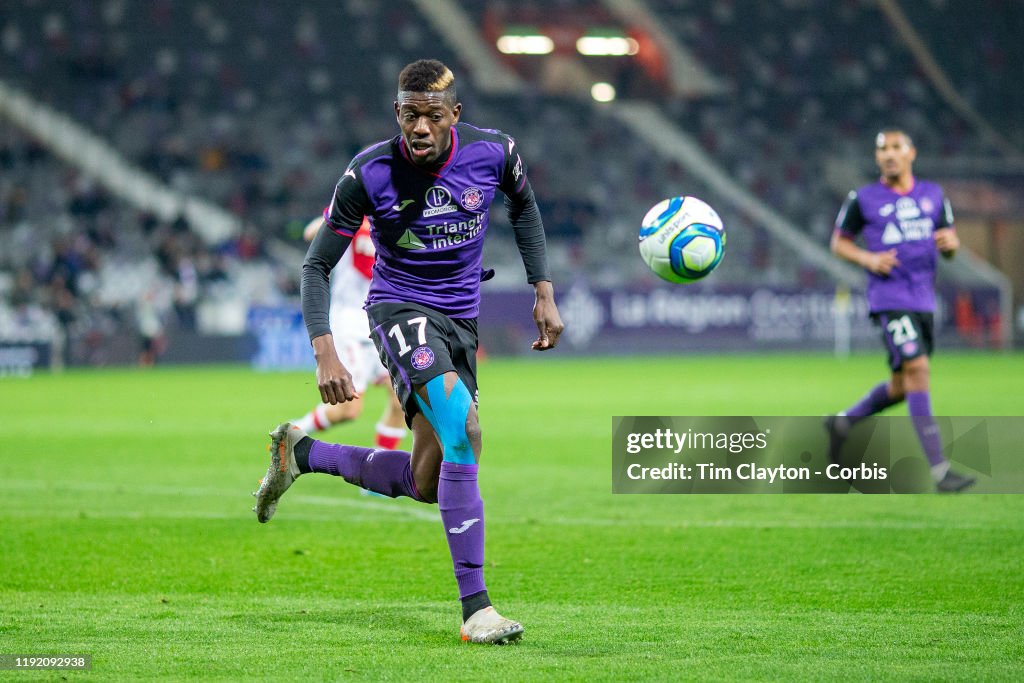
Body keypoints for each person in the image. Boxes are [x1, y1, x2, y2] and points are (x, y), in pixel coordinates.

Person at [253, 59, 564, 643]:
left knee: (427, 479)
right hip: (399, 310)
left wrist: (542, 290)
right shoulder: (367, 173)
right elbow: (317, 264)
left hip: (460, 321)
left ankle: (303, 455)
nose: (419, 127)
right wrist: (326, 352)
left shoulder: (495, 153)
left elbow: (524, 208)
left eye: (432, 115)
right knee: (463, 430)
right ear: (397, 113)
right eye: (409, 115)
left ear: (455, 116)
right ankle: (477, 609)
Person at [825, 128, 975, 493]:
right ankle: (941, 471)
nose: (889, 154)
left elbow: (949, 245)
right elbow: (838, 243)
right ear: (877, 158)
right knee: (918, 370)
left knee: (901, 385)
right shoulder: (863, 198)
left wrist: (952, 244)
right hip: (889, 300)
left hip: (923, 300)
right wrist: (868, 258)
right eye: (882, 149)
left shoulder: (934, 195)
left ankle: (843, 423)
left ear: (911, 153)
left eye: (896, 148)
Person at [290, 216, 407, 455]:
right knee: (349, 409)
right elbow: (310, 232)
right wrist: (341, 219)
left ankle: (380, 471)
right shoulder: (354, 210)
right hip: (350, 323)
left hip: (384, 320)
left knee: (402, 400)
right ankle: (292, 434)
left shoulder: (399, 217)